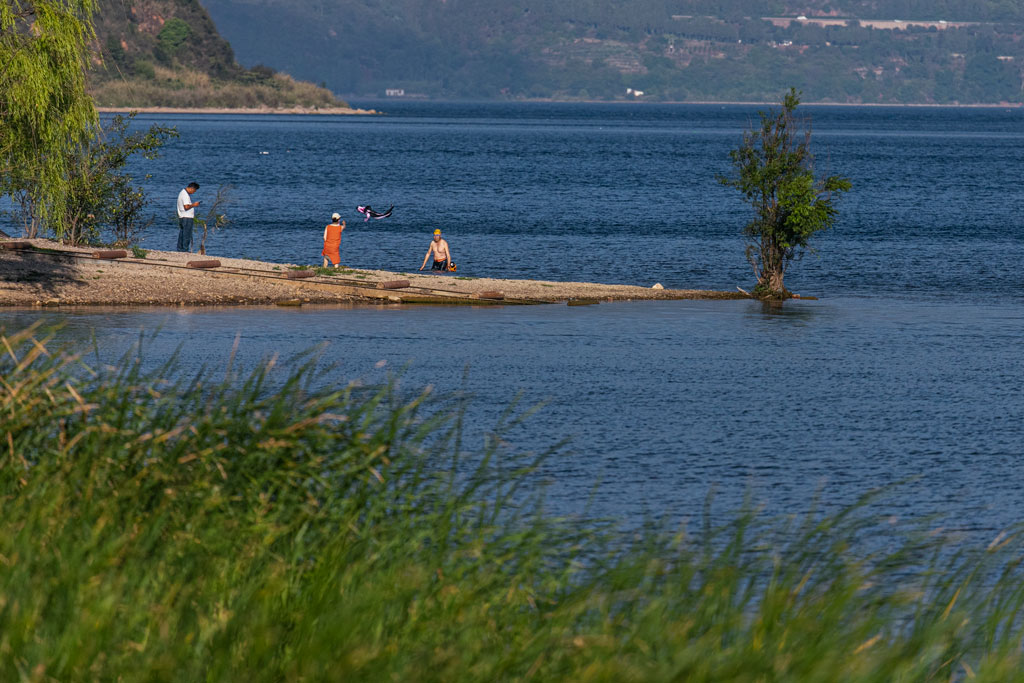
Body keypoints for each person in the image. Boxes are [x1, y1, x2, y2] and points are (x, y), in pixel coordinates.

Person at [176, 182, 200, 252]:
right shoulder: (185, 195)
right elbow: (186, 207)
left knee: (182, 233)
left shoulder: (182, 193)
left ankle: (180, 249)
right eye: (194, 190)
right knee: (187, 234)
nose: (194, 192)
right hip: (187, 217)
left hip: (182, 216)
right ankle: (185, 249)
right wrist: (194, 205)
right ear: (192, 188)